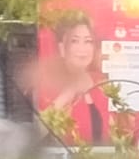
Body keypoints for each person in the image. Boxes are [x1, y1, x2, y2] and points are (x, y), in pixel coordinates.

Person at [36, 12, 112, 145]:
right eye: (74, 41)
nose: (82, 49)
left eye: (88, 41)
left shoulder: (103, 83)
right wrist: (68, 93)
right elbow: (35, 133)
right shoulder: (47, 85)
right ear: (62, 48)